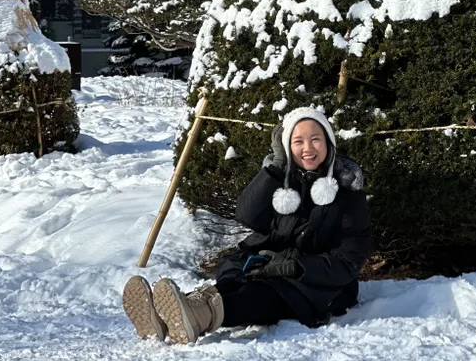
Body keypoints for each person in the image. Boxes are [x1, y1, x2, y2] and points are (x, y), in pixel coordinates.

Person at [122, 106, 371, 343]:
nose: (308, 148)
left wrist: (296, 267)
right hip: (275, 266)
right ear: (287, 146)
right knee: (236, 279)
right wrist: (275, 167)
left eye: (316, 139)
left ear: (328, 142)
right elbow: (247, 214)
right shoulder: (284, 181)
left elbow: (348, 261)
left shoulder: (347, 195)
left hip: (320, 286)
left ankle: (199, 316)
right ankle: (172, 316)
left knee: (262, 294)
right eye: (298, 141)